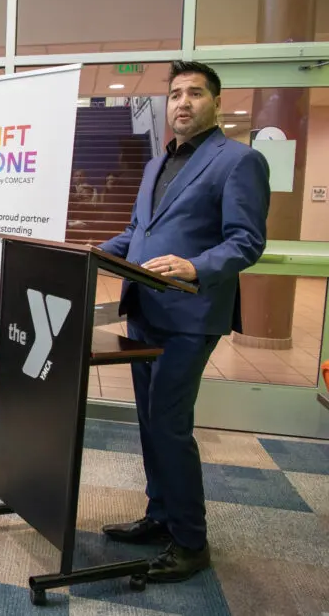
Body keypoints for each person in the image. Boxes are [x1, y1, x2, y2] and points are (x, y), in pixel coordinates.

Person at [98, 61, 270, 583]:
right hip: (145, 310)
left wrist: (195, 266)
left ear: (215, 102)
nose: (183, 103)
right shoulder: (156, 166)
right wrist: (91, 253)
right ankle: (160, 514)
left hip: (191, 316)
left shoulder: (239, 161)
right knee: (150, 422)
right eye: (174, 94)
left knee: (170, 424)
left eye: (195, 93)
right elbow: (136, 232)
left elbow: (246, 241)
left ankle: (191, 541)